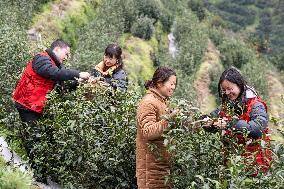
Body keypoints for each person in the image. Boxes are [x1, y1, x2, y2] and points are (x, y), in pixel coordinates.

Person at [12, 39, 90, 182]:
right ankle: (39, 176)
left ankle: (43, 173)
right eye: (66, 54)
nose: (66, 57)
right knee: (34, 139)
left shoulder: (55, 65)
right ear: (57, 49)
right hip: (27, 104)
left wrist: (77, 83)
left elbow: (59, 87)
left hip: (37, 107)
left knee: (46, 139)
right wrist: (78, 74)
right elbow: (54, 73)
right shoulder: (42, 59)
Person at [203, 67, 271, 175]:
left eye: (230, 88)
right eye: (224, 90)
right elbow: (210, 117)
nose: (227, 92)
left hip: (255, 165)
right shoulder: (228, 105)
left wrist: (229, 124)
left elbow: (257, 129)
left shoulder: (256, 105)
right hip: (233, 166)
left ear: (239, 85)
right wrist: (207, 122)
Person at [136, 66, 178, 189]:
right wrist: (169, 119)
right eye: (171, 84)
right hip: (151, 169)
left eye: (174, 84)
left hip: (161, 166)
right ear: (159, 83)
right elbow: (148, 132)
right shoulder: (148, 102)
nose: (173, 87)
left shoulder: (162, 101)